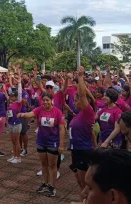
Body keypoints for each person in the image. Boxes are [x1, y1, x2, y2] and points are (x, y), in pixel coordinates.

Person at [18, 92, 65, 197]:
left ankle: (52, 186)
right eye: (43, 100)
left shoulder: (57, 112)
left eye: (47, 100)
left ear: (51, 100)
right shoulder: (40, 109)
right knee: (44, 164)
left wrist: (61, 144)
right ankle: (44, 183)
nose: (45, 102)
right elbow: (31, 114)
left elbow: (62, 129)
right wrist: (23, 114)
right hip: (41, 141)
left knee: (52, 165)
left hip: (53, 142)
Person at [68, 66, 96, 202]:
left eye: (77, 100)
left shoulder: (88, 113)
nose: (75, 102)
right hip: (75, 150)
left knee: (86, 185)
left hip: (83, 151)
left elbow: (83, 95)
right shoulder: (77, 115)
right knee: (79, 183)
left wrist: (80, 76)